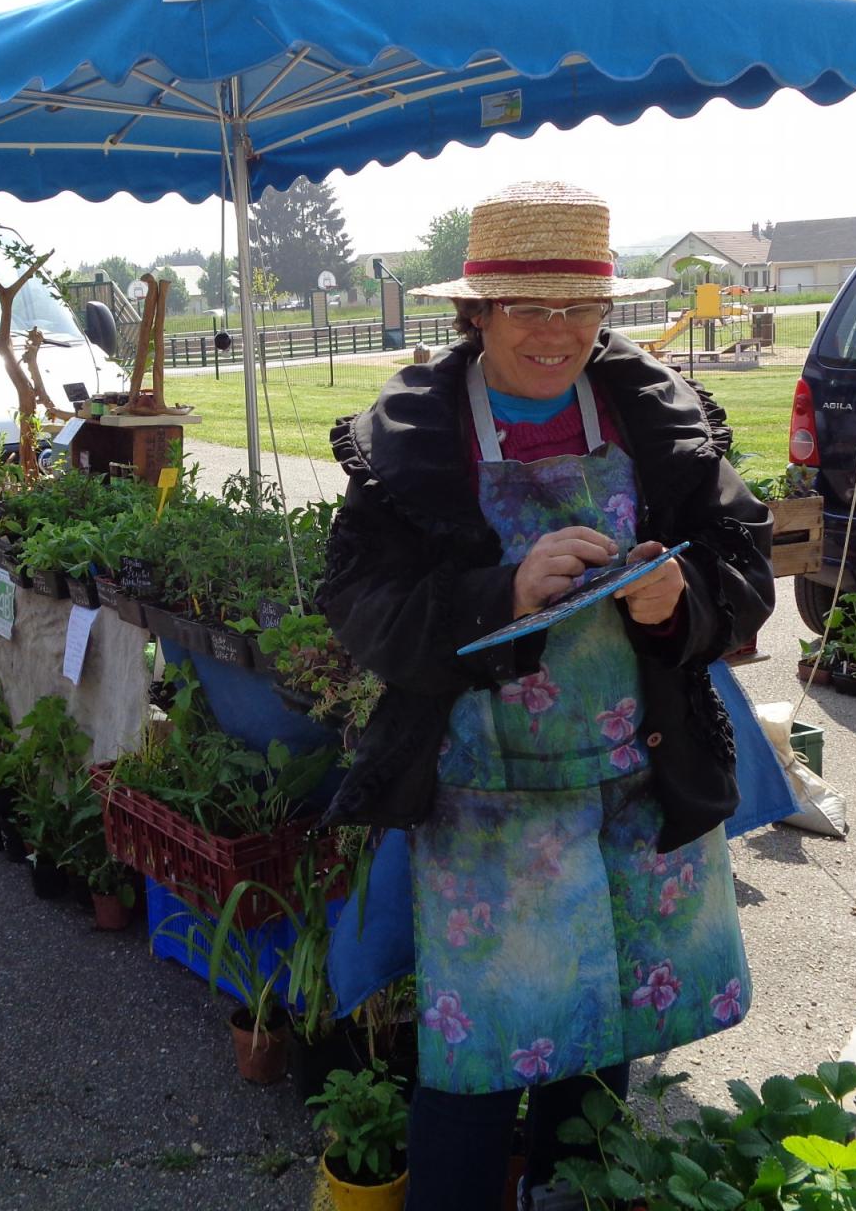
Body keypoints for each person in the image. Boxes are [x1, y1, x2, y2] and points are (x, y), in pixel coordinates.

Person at [316, 181, 774, 1210]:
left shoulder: (659, 417)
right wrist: (503, 591)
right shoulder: (416, 436)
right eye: (530, 307)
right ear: (476, 312)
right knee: (481, 1064)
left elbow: (743, 567)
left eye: (582, 306)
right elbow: (358, 605)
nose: (558, 332)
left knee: (601, 1044)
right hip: (489, 804)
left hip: (637, 784)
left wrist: (674, 599)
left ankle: (572, 1197)